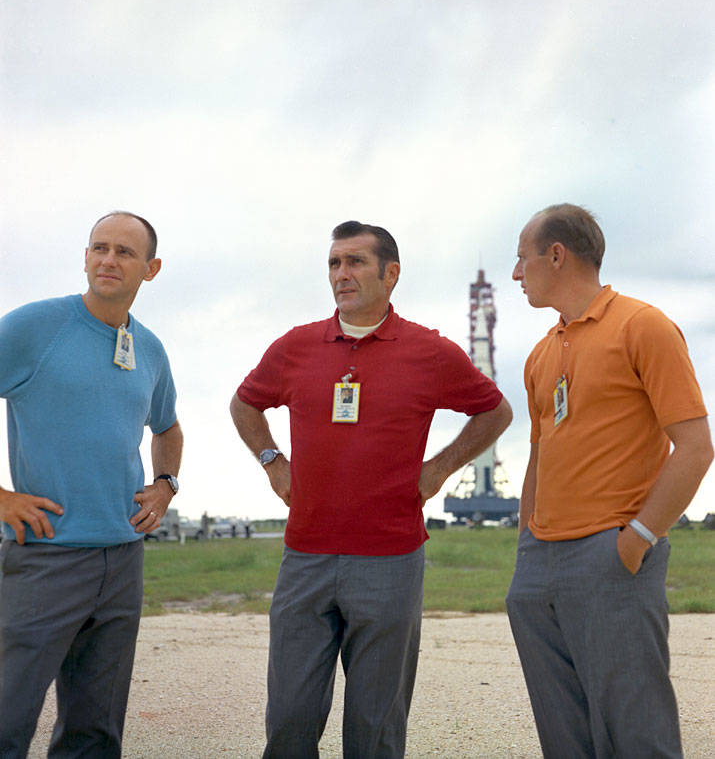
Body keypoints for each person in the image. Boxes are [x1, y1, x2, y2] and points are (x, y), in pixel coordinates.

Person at [230, 220, 512, 759]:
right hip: (305, 556)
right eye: (334, 263)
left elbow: (494, 412)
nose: (342, 274)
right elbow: (245, 404)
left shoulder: (430, 351)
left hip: (390, 558)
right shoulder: (296, 346)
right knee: (289, 718)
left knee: (376, 724)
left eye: (355, 262)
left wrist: (439, 468)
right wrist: (273, 462)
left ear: (391, 273)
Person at [506, 204, 713, 759]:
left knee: (636, 735)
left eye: (523, 257)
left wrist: (637, 539)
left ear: (557, 255)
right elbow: (539, 456)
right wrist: (526, 548)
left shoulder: (643, 326)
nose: (516, 273)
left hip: (611, 557)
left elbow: (695, 448)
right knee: (564, 740)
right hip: (539, 568)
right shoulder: (539, 354)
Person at [0, 211, 183, 758]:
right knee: (6, 716)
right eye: (99, 247)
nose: (109, 259)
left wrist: (166, 484)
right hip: (45, 557)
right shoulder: (33, 327)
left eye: (125, 252)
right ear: (84, 257)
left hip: (122, 559)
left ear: (150, 269)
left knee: (95, 732)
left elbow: (168, 427)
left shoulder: (148, 349)